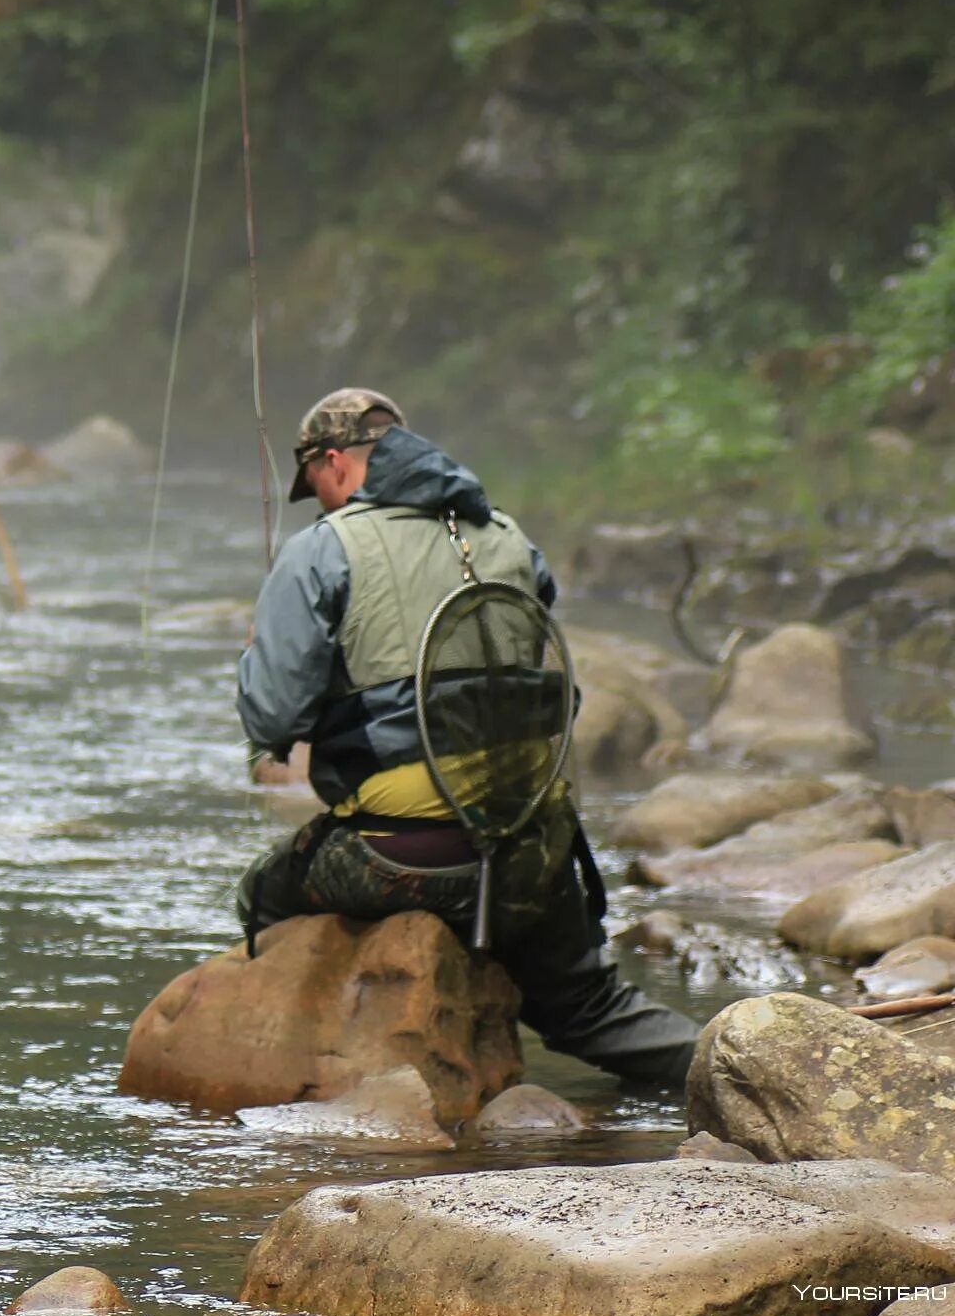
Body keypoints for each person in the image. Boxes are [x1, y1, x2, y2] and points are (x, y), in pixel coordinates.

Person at [233, 388, 698, 1087]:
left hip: (400, 855)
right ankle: (735, 1055)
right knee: (591, 1009)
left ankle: (323, 1075)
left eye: (316, 485)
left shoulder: (321, 551)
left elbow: (272, 723)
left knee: (264, 893)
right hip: (528, 842)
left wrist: (259, 655)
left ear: (333, 461)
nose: (320, 502)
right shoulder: (508, 534)